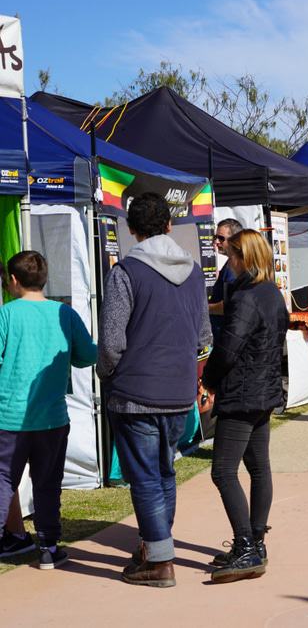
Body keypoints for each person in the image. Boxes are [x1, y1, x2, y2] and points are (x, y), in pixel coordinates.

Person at [98, 193, 212, 587]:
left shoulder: (125, 272)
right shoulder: (195, 273)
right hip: (178, 391)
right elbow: (203, 337)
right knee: (164, 472)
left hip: (135, 392)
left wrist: (106, 375)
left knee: (147, 476)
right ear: (168, 225)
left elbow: (111, 343)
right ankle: (155, 545)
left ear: (132, 230)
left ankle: (160, 559)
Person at [200, 230, 289, 584]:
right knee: (257, 467)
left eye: (231, 256)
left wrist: (208, 381)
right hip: (264, 390)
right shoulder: (271, 294)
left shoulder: (247, 296)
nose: (228, 262)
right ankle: (255, 542)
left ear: (242, 257)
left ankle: (246, 545)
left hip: (243, 391)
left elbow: (228, 347)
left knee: (223, 471)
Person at [0, 252, 97, 569]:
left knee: (3, 481)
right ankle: (49, 547)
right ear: (44, 278)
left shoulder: (6, 315)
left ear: (13, 281)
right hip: (53, 419)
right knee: (47, 484)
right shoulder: (64, 314)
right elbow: (87, 356)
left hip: (9, 417)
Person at [208, 218, 244, 341]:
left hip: (227, 336)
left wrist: (205, 308)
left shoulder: (233, 267)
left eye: (221, 238)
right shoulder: (231, 264)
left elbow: (228, 305)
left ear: (235, 240)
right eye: (215, 237)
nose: (216, 242)